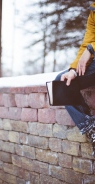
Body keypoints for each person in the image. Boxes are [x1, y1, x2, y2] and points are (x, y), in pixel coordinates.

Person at [55, 2, 95, 156]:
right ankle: (90, 127)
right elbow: (86, 44)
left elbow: (89, 47)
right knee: (62, 82)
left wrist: (91, 49)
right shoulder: (93, 12)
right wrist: (73, 69)